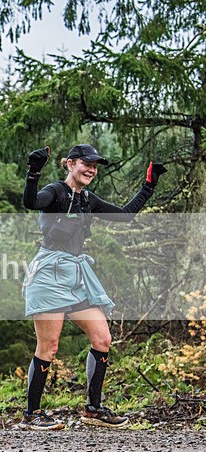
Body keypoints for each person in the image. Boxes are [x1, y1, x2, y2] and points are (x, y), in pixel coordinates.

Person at [19, 144, 167, 430]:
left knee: (102, 338)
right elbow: (30, 202)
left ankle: (93, 409)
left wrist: (149, 184)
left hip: (76, 274)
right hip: (49, 274)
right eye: (87, 163)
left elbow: (125, 215)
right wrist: (33, 172)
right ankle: (32, 414)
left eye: (95, 166)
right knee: (48, 347)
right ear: (71, 164)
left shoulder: (87, 198)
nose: (92, 169)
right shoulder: (55, 192)